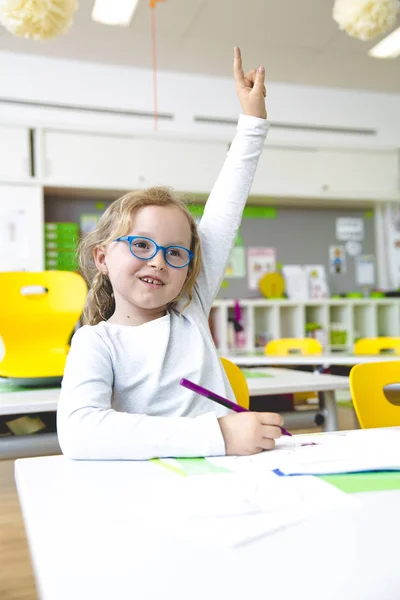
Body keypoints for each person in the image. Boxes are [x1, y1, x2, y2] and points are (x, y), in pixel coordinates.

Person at [57, 47, 284, 460]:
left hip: (235, 481)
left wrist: (253, 123)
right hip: (158, 491)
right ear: (103, 258)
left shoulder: (189, 308)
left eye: (176, 252)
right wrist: (219, 436)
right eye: (141, 245)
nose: (158, 260)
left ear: (188, 270)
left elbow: (224, 209)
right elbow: (79, 432)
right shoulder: (97, 343)